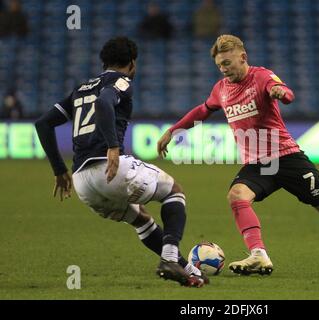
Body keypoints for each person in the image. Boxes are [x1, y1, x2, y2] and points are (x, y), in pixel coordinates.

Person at [157, 34, 319, 277]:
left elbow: (284, 91)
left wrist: (280, 92)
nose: (223, 69)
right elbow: (203, 110)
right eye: (219, 65)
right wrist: (173, 130)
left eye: (227, 63)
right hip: (257, 165)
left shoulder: (261, 76)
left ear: (242, 57)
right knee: (237, 195)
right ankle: (258, 254)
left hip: (286, 157)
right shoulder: (220, 89)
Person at [35, 37, 208, 288]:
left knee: (141, 220)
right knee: (174, 193)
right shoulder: (121, 80)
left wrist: (59, 169)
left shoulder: (81, 88)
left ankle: (189, 270)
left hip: (82, 181)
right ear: (132, 63)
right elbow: (104, 102)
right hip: (110, 168)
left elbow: (43, 124)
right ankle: (170, 258)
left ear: (104, 61)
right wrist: (113, 147)